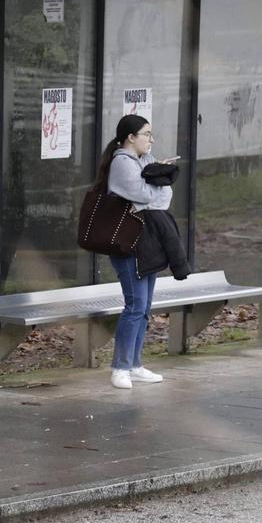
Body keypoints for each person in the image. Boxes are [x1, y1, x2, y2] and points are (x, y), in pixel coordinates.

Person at [93, 114, 175, 390]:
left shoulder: (145, 161)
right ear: (131, 137)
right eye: (147, 134)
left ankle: (135, 364)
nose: (151, 140)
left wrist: (155, 181)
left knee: (145, 306)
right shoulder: (121, 163)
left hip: (146, 240)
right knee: (135, 305)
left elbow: (163, 198)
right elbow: (147, 196)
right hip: (127, 242)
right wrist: (156, 183)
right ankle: (120, 367)